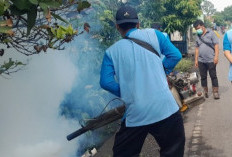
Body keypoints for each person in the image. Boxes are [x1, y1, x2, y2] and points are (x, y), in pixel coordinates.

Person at [100, 6, 185, 157]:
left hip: (136, 112)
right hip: (165, 108)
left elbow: (105, 82)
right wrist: (163, 72)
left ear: (117, 26)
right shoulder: (155, 35)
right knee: (173, 150)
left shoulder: (111, 51)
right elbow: (175, 55)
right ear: (138, 24)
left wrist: (126, 91)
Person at [193, 20, 220, 99]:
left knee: (213, 76)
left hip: (211, 59)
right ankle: (205, 91)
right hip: (201, 60)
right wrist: (196, 60)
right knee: (203, 77)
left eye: (198, 28)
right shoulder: (198, 35)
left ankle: (215, 92)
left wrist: (216, 57)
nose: (198, 30)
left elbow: (216, 46)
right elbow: (197, 48)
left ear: (202, 26)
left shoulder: (211, 33)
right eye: (196, 29)